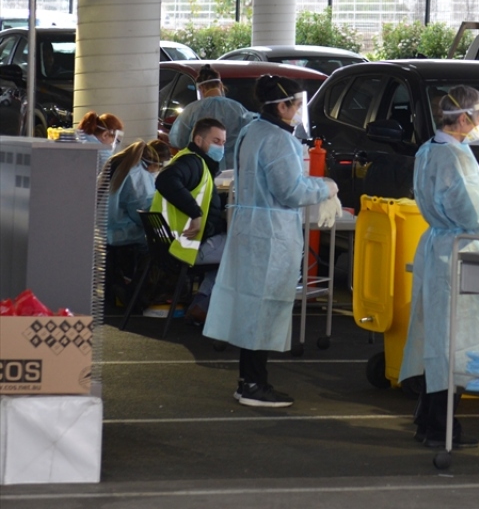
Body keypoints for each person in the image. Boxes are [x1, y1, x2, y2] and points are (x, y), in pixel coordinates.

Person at [203, 76, 336, 408]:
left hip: (252, 228)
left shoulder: (252, 131)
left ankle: (249, 379)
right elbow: (290, 191)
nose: (298, 110)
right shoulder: (277, 139)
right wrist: (325, 187)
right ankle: (253, 383)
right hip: (270, 234)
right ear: (282, 105)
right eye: (295, 103)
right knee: (262, 308)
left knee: (253, 305)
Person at [400, 85, 479, 448]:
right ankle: (441, 428)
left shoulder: (429, 150)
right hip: (457, 253)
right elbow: (466, 212)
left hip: (439, 247)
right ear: (463, 118)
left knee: (438, 340)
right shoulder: (456, 157)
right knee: (455, 345)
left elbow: (453, 202)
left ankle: (427, 421)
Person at [153, 117, 229, 324]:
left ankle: (200, 306)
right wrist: (196, 214)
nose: (220, 147)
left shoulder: (197, 163)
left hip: (174, 243)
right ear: (198, 139)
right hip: (185, 245)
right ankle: (211, 309)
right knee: (246, 250)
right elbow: (165, 180)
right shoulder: (192, 162)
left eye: (223, 142)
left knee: (230, 253)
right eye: (216, 141)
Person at [103, 140, 171, 307]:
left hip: (106, 230)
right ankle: (143, 293)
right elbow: (142, 210)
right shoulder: (137, 174)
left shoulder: (118, 164)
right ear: (152, 163)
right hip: (123, 232)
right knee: (164, 246)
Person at [169, 65, 256, 171]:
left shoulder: (192, 110)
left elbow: (179, 140)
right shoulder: (238, 109)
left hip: (201, 170)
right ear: (220, 85)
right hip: (232, 170)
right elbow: (250, 139)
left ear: (201, 88)